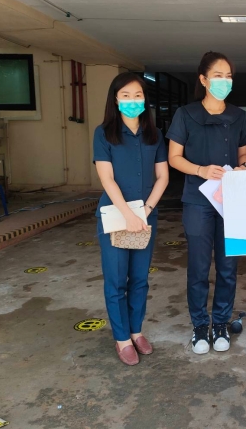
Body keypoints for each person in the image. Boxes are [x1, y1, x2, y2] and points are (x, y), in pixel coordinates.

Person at [167, 51, 246, 355]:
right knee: (199, 267)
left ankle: (221, 323)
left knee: (228, 266)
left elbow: (243, 153)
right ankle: (200, 325)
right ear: (203, 80)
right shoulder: (185, 114)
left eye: (228, 76)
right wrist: (200, 170)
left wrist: (243, 167)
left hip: (230, 200)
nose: (224, 81)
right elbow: (174, 157)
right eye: (218, 76)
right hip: (198, 200)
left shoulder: (239, 116)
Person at [93, 72, 169, 366]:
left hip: (146, 216)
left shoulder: (155, 134)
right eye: (125, 95)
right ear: (115, 99)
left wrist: (145, 211)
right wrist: (128, 214)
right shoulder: (104, 133)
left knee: (139, 279)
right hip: (115, 216)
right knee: (116, 280)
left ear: (144, 99)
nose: (132, 101)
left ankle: (136, 332)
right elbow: (107, 178)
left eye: (137, 95)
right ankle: (122, 338)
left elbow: (163, 177)